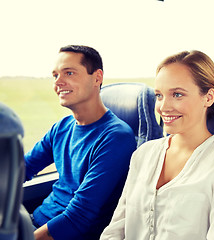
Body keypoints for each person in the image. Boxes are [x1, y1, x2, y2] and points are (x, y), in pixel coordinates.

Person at [100, 50, 214, 240]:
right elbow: (115, 230)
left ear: (208, 98)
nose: (163, 106)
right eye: (159, 95)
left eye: (177, 94)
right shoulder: (143, 154)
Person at [24, 45, 137, 240]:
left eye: (69, 73)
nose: (58, 82)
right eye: (55, 75)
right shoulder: (62, 127)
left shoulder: (116, 137)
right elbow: (22, 168)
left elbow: (78, 218)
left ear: (97, 78)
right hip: (35, 221)